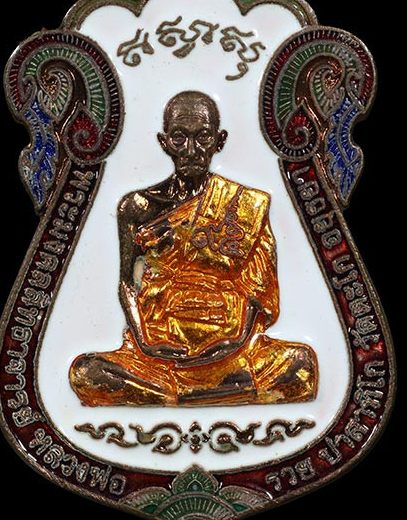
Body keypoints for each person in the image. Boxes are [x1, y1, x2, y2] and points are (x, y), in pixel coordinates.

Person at [69, 91, 318, 406]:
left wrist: (235, 342)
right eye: (179, 138)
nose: (190, 150)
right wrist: (145, 344)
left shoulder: (245, 205)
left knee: (301, 365)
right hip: (159, 352)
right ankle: (219, 392)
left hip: (232, 349)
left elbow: (257, 292)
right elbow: (127, 283)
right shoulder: (137, 206)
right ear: (164, 143)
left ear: (219, 141)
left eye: (202, 137)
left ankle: (187, 393)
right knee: (86, 373)